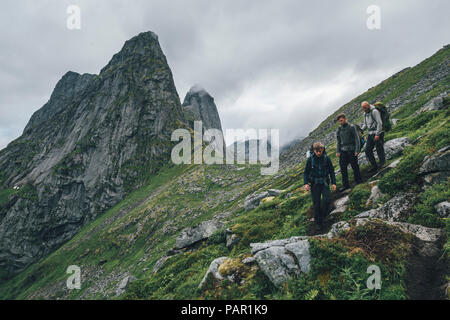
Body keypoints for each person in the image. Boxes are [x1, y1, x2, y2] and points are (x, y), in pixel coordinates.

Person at [303, 142, 337, 227]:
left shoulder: (326, 158)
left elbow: (332, 171)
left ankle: (323, 215)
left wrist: (333, 183)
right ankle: (318, 223)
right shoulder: (310, 160)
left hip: (324, 182)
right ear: (314, 150)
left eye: (320, 151)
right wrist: (306, 183)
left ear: (323, 149)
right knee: (316, 203)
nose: (318, 153)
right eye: (317, 151)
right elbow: (306, 173)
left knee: (327, 199)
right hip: (314, 184)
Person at [336, 113, 362, 191]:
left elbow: (356, 139)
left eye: (341, 120)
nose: (340, 122)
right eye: (339, 121)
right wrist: (338, 151)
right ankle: (345, 185)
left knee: (355, 166)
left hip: (352, 150)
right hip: (343, 151)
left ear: (345, 119)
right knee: (343, 167)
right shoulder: (339, 129)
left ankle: (359, 181)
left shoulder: (351, 127)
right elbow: (338, 141)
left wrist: (357, 150)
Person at [361, 101, 385, 173]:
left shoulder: (375, 111)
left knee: (379, 148)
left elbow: (379, 123)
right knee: (367, 150)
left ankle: (382, 163)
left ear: (368, 106)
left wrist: (377, 134)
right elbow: (365, 124)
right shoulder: (365, 113)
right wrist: (360, 130)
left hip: (378, 132)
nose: (364, 109)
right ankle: (374, 166)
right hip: (370, 133)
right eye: (363, 108)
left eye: (365, 108)